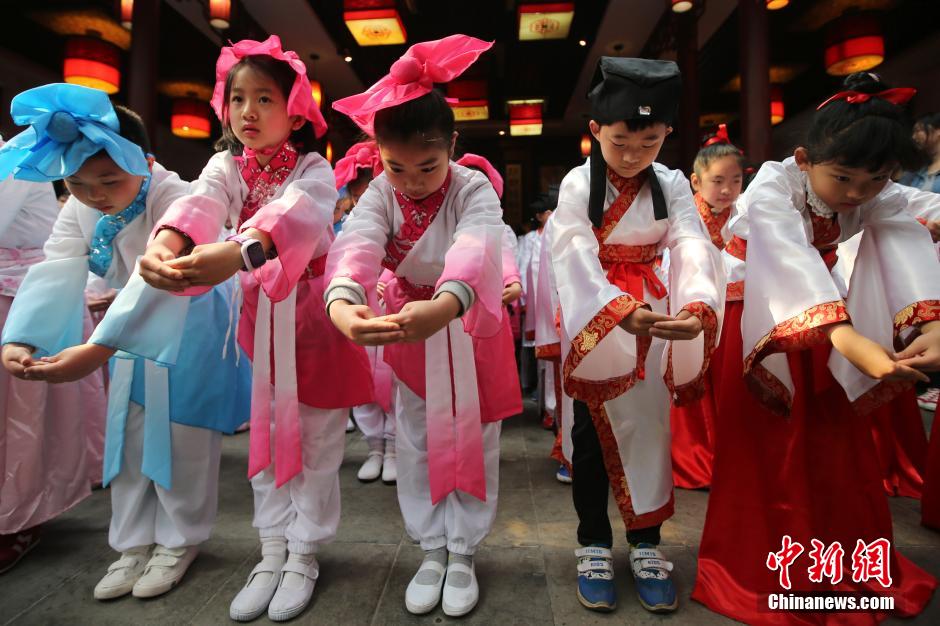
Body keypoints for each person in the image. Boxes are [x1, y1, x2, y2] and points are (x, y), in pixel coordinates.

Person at [135, 36, 373, 621]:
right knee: (266, 432)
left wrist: (240, 252)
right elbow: (201, 203)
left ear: (295, 109)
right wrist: (166, 243)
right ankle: (271, 548)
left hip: (313, 316)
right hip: (261, 315)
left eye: (264, 98)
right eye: (237, 98)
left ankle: (305, 552)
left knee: (316, 437)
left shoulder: (315, 169)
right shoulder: (224, 164)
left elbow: (289, 217)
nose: (247, 112)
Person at [693, 72, 940, 625]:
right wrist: (852, 341)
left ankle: (844, 572)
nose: (856, 193)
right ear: (803, 159)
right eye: (843, 177)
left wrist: (931, 323)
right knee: (768, 446)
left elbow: (908, 213)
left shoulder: (874, 193)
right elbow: (786, 259)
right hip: (759, 326)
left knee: (835, 446)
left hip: (830, 323)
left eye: (874, 179)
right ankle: (759, 572)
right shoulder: (772, 189)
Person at [0, 83, 250, 599]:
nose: (93, 195)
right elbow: (57, 262)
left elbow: (163, 281)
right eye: (78, 183)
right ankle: (132, 543)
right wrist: (22, 336)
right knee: (128, 436)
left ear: (145, 159)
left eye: (108, 180)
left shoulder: (180, 197)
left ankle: (179, 540)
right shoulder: (84, 203)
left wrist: (97, 349)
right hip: (126, 327)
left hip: (191, 325)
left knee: (182, 439)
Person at [327, 35, 520, 617]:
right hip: (408, 321)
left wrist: (447, 303)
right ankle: (430, 546)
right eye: (395, 166)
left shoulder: (473, 187)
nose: (411, 179)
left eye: (428, 165)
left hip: (464, 322)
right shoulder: (380, 194)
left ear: (453, 146)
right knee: (413, 435)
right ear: (377, 153)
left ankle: (462, 549)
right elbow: (358, 243)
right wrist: (342, 300)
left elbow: (475, 243)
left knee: (475, 436)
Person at [548, 57, 724, 614]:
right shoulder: (580, 183)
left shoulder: (672, 183)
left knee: (649, 428)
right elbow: (572, 246)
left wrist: (697, 303)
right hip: (597, 314)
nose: (631, 156)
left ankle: (647, 542)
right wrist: (615, 308)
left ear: (666, 134)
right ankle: (593, 542)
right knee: (590, 438)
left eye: (648, 142)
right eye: (621, 140)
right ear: (595, 129)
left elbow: (692, 243)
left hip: (653, 309)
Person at [0, 132, 107, 574]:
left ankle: (18, 518)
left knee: (21, 421)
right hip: (34, 291)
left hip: (24, 299)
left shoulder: (15, 159)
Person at [670, 124, 744, 489]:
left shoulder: (744, 214)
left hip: (734, 311)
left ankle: (729, 456)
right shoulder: (685, 216)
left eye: (736, 180)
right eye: (718, 181)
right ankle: (694, 456)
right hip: (694, 308)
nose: (728, 190)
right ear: (695, 182)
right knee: (693, 382)